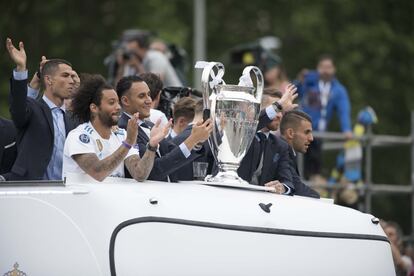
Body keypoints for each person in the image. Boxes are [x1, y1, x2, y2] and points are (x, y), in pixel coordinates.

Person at [63, 74, 167, 182]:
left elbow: (139, 174)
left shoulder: (121, 135)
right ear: (94, 108)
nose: (118, 107)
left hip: (114, 198)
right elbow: (97, 173)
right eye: (111, 103)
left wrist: (152, 146)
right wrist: (128, 143)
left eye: (118, 102)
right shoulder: (78, 136)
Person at [4, 38, 76, 180]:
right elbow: (18, 107)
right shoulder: (33, 109)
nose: (71, 80)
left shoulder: (73, 118)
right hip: (33, 192)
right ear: (49, 80)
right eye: (65, 75)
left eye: (72, 76)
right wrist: (21, 68)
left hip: (67, 191)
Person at [116, 75, 212, 182]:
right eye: (142, 96)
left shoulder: (151, 125)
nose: (149, 100)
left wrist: (197, 142)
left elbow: (172, 153)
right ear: (125, 101)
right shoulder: (123, 129)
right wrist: (192, 139)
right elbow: (153, 171)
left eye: (149, 95)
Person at [296, 54, 352, 179]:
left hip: (318, 135)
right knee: (298, 164)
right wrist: (300, 80)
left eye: (329, 67)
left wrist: (346, 129)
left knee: (314, 166)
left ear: (334, 69)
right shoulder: (309, 82)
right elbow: (293, 91)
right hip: (302, 131)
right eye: (323, 67)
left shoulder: (338, 90)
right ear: (317, 68)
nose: (326, 70)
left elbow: (344, 110)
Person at [238, 89, 293, 194]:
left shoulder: (281, 146)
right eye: (275, 110)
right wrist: (279, 104)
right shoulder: (240, 133)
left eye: (281, 111)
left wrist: (283, 187)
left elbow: (288, 181)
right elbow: (253, 124)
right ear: (257, 110)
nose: (279, 115)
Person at [279, 110, 320, 198]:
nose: (311, 138)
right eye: (306, 132)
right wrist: (318, 196)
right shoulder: (281, 153)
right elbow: (298, 189)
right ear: (290, 133)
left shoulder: (287, 152)